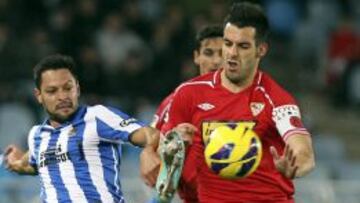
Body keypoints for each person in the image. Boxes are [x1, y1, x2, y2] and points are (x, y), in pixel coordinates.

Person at [147, 2, 315, 202]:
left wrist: (295, 166)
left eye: (243, 46)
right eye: (228, 44)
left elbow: (304, 151)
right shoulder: (189, 94)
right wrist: (168, 146)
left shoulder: (275, 99)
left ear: (261, 50)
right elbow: (165, 158)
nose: (232, 54)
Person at [3, 54, 163, 203]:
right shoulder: (37, 135)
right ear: (39, 95)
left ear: (77, 89)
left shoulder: (97, 116)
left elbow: (150, 134)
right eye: (52, 91)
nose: (62, 96)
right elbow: (33, 163)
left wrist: (148, 150)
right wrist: (14, 162)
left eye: (68, 88)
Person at [149, 25, 223, 203]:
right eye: (209, 53)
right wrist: (171, 144)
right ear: (196, 57)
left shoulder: (248, 101)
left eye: (222, 54)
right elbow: (154, 151)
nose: (215, 62)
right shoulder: (177, 100)